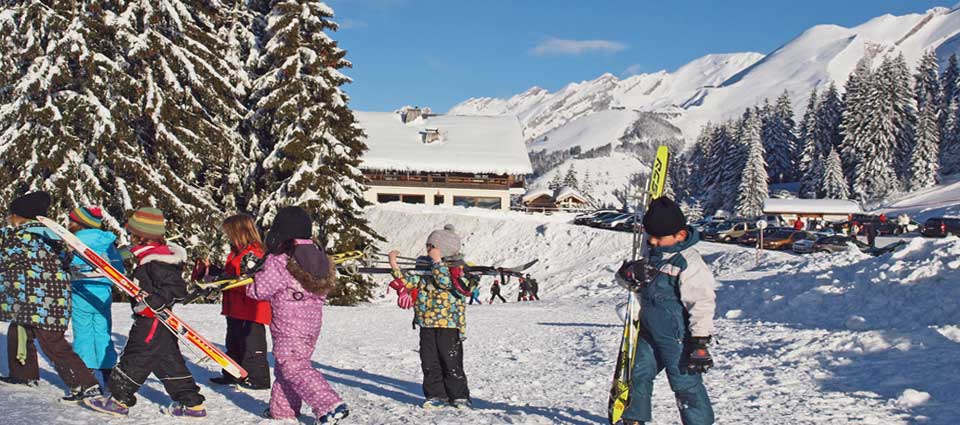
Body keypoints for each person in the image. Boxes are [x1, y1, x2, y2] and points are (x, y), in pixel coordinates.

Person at [84, 208, 206, 418]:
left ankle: (118, 400)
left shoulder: (157, 260)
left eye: (132, 234)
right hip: (158, 321)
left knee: (135, 357)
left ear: (141, 235)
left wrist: (155, 301)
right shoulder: (152, 255)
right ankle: (192, 404)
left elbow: (176, 288)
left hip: (152, 320)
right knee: (169, 362)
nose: (130, 238)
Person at [615, 196, 716, 425]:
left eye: (659, 237)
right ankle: (633, 418)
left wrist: (699, 341)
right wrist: (627, 274)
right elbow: (630, 283)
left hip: (677, 335)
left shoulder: (688, 262)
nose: (653, 241)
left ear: (680, 235)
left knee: (685, 383)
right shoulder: (652, 253)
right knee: (637, 373)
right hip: (648, 329)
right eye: (650, 236)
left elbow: (702, 302)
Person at [247, 206, 348, 424]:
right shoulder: (319, 258)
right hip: (311, 325)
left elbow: (260, 291)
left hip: (288, 325)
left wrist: (252, 280)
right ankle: (283, 411)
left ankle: (329, 404)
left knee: (293, 366)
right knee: (288, 367)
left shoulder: (280, 261)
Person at [0, 192, 101, 401]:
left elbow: (5, 259)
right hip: (45, 300)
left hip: (41, 303)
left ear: (21, 216)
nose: (9, 218)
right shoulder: (52, 235)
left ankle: (86, 384)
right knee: (18, 331)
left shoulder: (22, 237)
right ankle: (23, 375)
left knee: (52, 343)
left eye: (12, 215)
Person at [387, 227, 471, 409]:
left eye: (432, 246)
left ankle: (459, 395)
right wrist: (394, 265)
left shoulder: (457, 270)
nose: (428, 250)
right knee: (429, 361)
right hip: (426, 323)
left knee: (451, 361)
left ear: (445, 248)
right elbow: (408, 282)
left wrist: (437, 262)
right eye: (428, 246)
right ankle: (436, 395)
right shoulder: (425, 268)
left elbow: (445, 283)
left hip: (448, 324)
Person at [202, 213, 271, 390]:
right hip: (235, 306)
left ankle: (258, 377)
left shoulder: (255, 253)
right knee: (233, 342)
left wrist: (225, 278)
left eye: (230, 233)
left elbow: (249, 278)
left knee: (251, 344)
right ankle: (233, 374)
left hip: (251, 307)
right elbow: (232, 275)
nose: (228, 237)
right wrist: (214, 272)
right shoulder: (236, 252)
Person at [67, 206, 125, 389]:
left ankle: (85, 374)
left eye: (72, 221)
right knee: (102, 332)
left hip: (81, 291)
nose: (69, 224)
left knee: (83, 332)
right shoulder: (108, 242)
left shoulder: (74, 242)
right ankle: (108, 372)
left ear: (79, 224)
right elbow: (119, 270)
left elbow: (67, 265)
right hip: (103, 294)